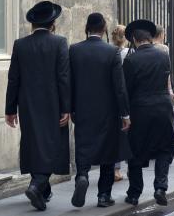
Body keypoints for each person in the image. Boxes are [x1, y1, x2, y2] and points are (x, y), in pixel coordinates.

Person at [5, 1, 71, 211]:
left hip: (28, 104)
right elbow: (63, 77)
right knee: (53, 146)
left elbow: (13, 78)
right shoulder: (60, 43)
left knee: (34, 144)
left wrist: (10, 109)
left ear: (32, 25)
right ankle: (37, 184)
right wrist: (66, 107)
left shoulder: (20, 44)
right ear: (53, 24)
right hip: (52, 103)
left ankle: (42, 190)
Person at [70, 13, 132, 208]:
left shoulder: (74, 50)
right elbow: (119, 87)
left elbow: (68, 83)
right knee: (108, 152)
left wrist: (69, 108)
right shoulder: (111, 52)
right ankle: (104, 195)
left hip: (82, 109)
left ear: (87, 28)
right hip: (108, 111)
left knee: (83, 145)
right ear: (104, 28)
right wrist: (125, 114)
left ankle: (82, 175)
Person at [123, 19, 174, 206]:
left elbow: (126, 90)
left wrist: (124, 114)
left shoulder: (130, 60)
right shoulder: (164, 56)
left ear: (135, 39)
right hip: (162, 107)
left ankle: (135, 193)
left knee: (136, 151)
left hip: (140, 109)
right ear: (150, 38)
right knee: (164, 148)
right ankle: (160, 187)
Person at [111, 24, 129, 182]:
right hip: (128, 96)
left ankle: (115, 169)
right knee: (130, 133)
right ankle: (132, 166)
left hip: (112, 99)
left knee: (116, 134)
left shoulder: (109, 52)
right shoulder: (130, 53)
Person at [153, 25, 174, 99]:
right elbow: (167, 68)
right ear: (161, 34)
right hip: (161, 80)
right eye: (164, 34)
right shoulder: (164, 48)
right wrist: (170, 88)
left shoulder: (148, 46)